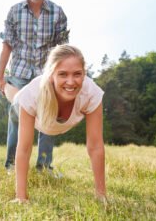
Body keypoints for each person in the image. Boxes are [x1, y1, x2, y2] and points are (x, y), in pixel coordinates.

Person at [11, 44, 106, 202]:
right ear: (51, 76)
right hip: (21, 108)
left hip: (51, 124)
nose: (70, 82)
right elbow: (25, 148)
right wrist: (21, 197)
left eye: (77, 74)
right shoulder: (32, 94)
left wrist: (101, 195)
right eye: (63, 74)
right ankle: (7, 88)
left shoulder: (91, 93)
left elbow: (95, 146)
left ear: (84, 74)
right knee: (13, 100)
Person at [0, 0, 69, 173]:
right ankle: (12, 163)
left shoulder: (58, 13)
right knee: (17, 114)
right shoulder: (14, 12)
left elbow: (62, 50)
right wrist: (0, 77)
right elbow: (7, 47)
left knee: (48, 114)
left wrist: (62, 77)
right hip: (19, 73)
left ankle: (44, 165)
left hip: (46, 73)